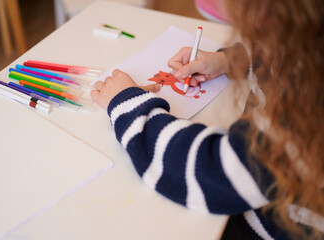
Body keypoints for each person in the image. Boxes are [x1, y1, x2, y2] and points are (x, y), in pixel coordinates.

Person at [90, 0, 324, 239]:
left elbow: (216, 173)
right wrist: (232, 61)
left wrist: (128, 104)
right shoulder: (309, 45)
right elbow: (282, 55)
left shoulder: (310, 105)